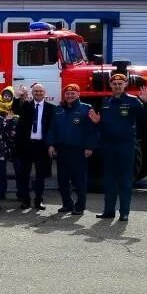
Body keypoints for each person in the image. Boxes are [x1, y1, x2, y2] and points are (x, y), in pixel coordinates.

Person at [92, 74, 147, 222]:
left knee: (125, 180)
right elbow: (105, 125)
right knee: (109, 180)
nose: (117, 85)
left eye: (120, 83)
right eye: (114, 83)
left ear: (125, 84)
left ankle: (124, 212)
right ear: (110, 85)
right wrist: (98, 122)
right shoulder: (106, 102)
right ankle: (109, 211)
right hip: (108, 146)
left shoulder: (133, 101)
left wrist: (146, 103)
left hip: (126, 145)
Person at [48, 84, 98, 215]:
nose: (69, 96)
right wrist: (51, 144)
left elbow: (91, 130)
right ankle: (67, 204)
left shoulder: (86, 109)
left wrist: (89, 147)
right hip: (62, 149)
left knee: (79, 180)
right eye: (67, 93)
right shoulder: (58, 109)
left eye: (72, 93)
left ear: (78, 94)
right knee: (62, 179)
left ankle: (80, 206)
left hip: (78, 150)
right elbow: (53, 129)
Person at [14, 82, 54, 210]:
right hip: (26, 146)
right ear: (32, 93)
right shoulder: (26, 105)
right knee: (24, 174)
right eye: (36, 91)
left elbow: (53, 129)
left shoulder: (51, 108)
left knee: (40, 176)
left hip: (42, 146)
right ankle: (25, 200)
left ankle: (38, 200)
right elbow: (15, 109)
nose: (38, 93)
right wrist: (17, 97)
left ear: (45, 93)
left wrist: (51, 145)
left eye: (40, 91)